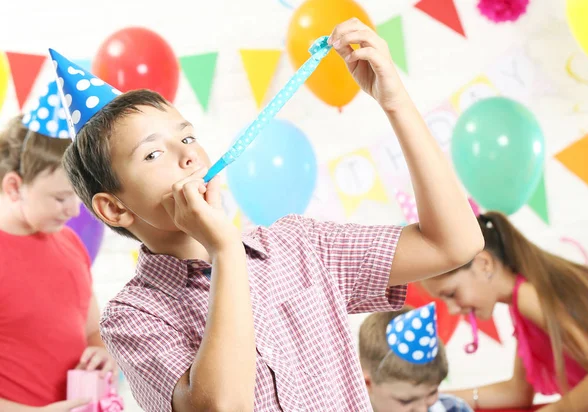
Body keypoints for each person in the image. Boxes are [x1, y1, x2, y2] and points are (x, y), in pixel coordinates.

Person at [51, 18, 483, 411]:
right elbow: (221, 407)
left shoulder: (300, 244)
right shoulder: (134, 315)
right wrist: (224, 250)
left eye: (187, 137)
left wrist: (396, 103)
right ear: (115, 208)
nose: (187, 156)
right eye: (152, 152)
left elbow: (454, 243)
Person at [0, 81, 118, 411]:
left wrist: (103, 353)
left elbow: (92, 330)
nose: (74, 210)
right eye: (60, 197)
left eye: (77, 197)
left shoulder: (70, 243)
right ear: (14, 187)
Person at [423, 211, 588, 412]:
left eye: (452, 293)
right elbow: (516, 392)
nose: (452, 309)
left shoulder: (529, 296)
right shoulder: (521, 301)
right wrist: (432, 399)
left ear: (483, 264)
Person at [359, 304, 473, 412]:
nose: (423, 410)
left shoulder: (455, 408)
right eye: (407, 401)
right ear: (367, 383)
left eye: (432, 393)